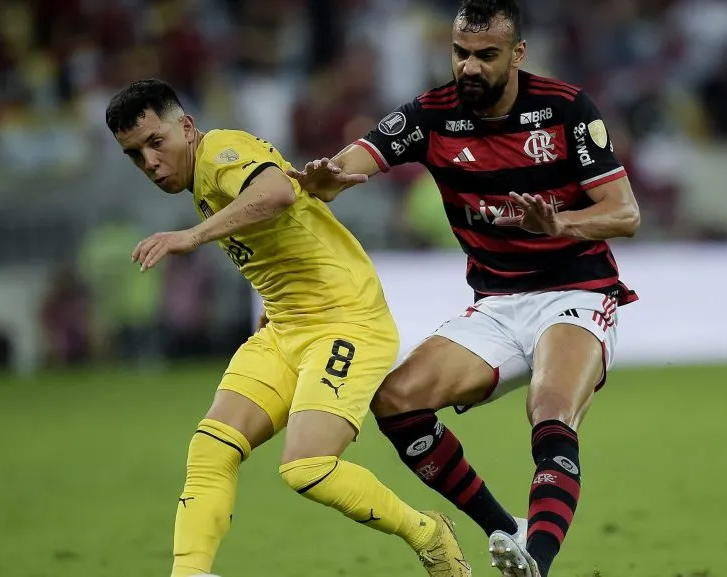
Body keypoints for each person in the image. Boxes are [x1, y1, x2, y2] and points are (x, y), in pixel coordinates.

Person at [288, 1, 641, 576]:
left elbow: (624, 213)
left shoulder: (565, 108)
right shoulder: (431, 115)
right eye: (460, 53)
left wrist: (558, 223)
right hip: (497, 305)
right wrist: (327, 179)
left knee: (549, 409)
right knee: (396, 400)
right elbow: (351, 163)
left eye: (486, 55)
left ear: (518, 54)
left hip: (576, 292)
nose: (469, 67)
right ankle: (505, 528)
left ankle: (538, 562)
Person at [105, 78, 470, 577]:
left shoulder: (220, 151)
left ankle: (429, 534)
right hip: (285, 327)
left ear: (187, 127)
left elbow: (276, 191)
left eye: (156, 142)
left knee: (306, 467)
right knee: (211, 448)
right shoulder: (203, 181)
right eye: (134, 154)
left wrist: (192, 236)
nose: (149, 161)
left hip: (347, 322)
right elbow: (281, 237)